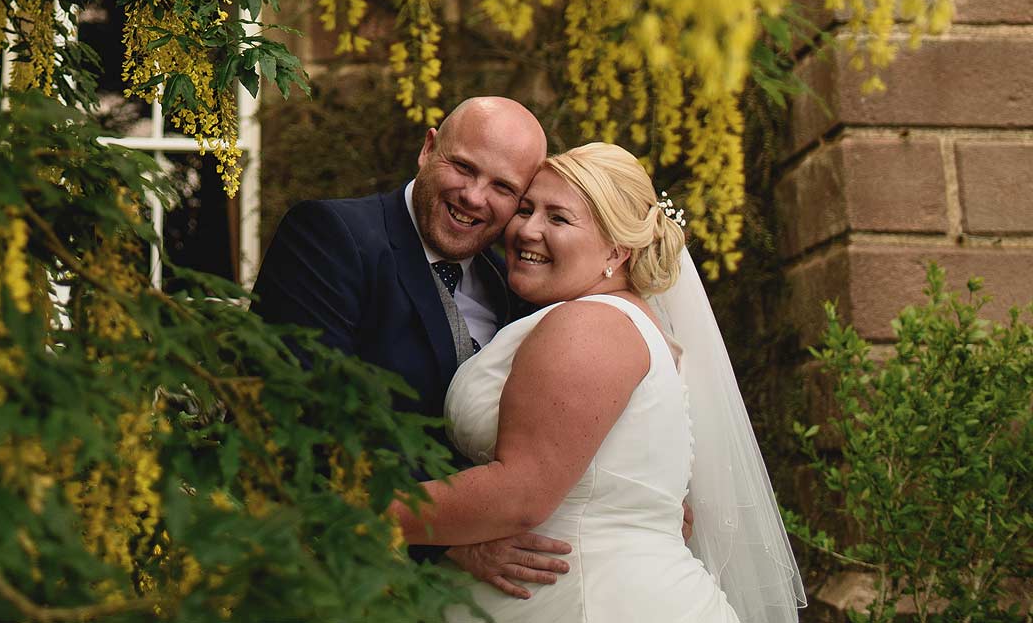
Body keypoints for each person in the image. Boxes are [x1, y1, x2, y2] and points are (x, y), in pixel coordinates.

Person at [390, 143, 806, 623]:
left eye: (558, 219)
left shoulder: (589, 327)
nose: (527, 228)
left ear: (617, 249)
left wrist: (362, 514)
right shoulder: (626, 322)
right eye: (525, 208)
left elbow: (521, 492)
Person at [251, 96, 572, 599]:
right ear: (428, 150)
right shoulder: (332, 236)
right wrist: (442, 541)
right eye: (464, 167)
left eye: (504, 188)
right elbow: (299, 418)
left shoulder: (511, 283)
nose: (474, 197)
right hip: (337, 570)